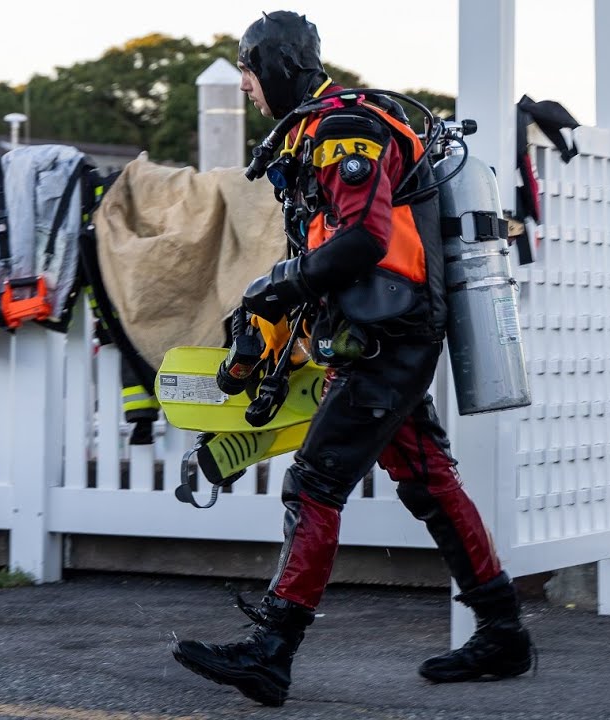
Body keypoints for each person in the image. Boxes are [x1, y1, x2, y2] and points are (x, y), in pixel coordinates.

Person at [169, 11, 533, 707]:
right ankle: (503, 632)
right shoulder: (313, 133)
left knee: (315, 481)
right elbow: (325, 254)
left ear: (273, 65)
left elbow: (364, 239)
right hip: (379, 330)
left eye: (248, 71)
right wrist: (267, 321)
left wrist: (273, 285)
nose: (245, 86)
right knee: (427, 478)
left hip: (389, 334)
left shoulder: (345, 130)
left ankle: (272, 651)